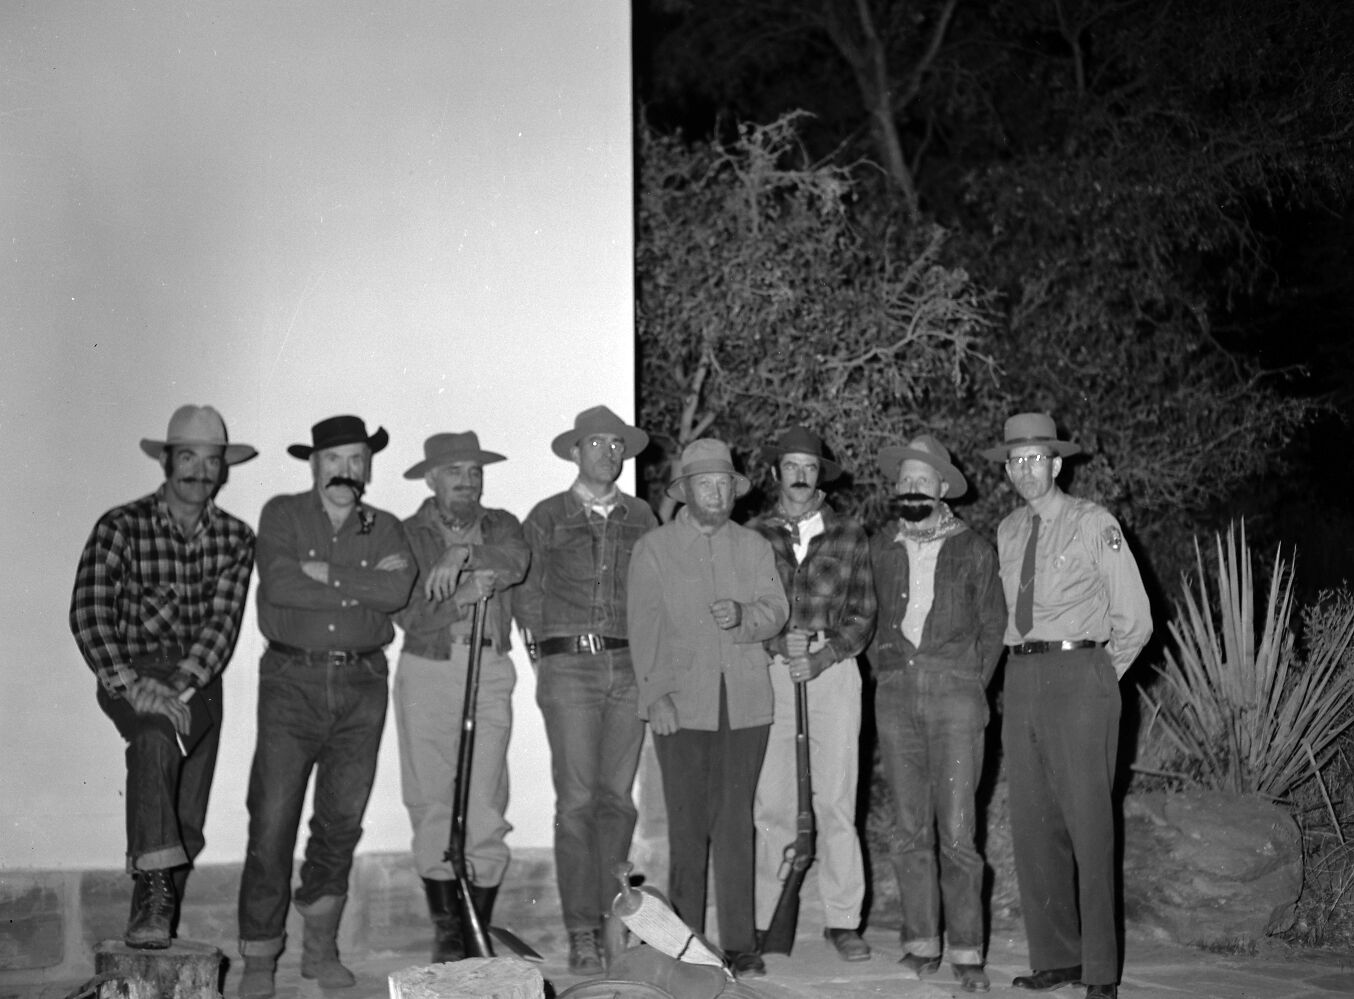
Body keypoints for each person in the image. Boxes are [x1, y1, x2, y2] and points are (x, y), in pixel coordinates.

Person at [238, 415, 416, 998]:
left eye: (357, 460)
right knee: (272, 821)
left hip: (363, 683)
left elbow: (397, 593)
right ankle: (260, 959)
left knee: (340, 821)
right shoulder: (282, 514)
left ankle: (320, 951)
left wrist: (329, 573)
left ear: (368, 467)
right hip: (292, 681)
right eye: (334, 459)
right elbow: (280, 587)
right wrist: (361, 579)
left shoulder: (385, 525)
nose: (346, 471)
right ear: (314, 464)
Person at [70, 405, 257, 950]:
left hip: (199, 679)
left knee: (187, 819)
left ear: (224, 469)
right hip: (128, 673)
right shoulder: (119, 525)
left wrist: (176, 686)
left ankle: (155, 908)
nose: (200, 471)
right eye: (189, 458)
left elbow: (222, 626)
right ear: (168, 461)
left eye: (212, 460)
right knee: (153, 737)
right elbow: (89, 613)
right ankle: (153, 899)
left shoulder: (236, 538)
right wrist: (133, 685)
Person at [980, 413, 1152, 999]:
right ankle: (1057, 956)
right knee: (1033, 824)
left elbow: (1136, 618)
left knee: (1089, 823)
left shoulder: (1093, 522)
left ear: (1057, 464)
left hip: (1082, 673)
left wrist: (1101, 677)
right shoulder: (1006, 530)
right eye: (1016, 461)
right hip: (1022, 675)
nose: (1026, 470)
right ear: (1007, 470)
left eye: (1037, 459)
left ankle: (1100, 970)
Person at [627, 438, 789, 980]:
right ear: (686, 491)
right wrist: (656, 698)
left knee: (736, 821)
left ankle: (741, 944)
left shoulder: (754, 546)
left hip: (745, 706)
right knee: (688, 827)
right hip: (682, 707)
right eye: (705, 484)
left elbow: (776, 611)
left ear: (734, 490)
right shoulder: (654, 549)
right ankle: (687, 941)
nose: (716, 493)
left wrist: (744, 615)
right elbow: (642, 631)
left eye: (724, 483)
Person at [514, 406, 657, 974]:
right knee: (575, 804)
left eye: (616, 444)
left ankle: (612, 919)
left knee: (617, 801)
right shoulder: (547, 516)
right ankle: (580, 932)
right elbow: (526, 593)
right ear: (575, 452)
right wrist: (543, 658)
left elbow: (657, 590)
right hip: (569, 669)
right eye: (595, 443)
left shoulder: (642, 516)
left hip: (629, 669)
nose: (607, 452)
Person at [868, 434, 1006, 992]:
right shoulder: (881, 546)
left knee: (956, 832)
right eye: (904, 482)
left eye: (921, 482)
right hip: (897, 694)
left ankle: (968, 950)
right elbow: (864, 613)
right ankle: (921, 941)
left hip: (955, 695)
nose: (911, 490)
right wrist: (885, 671)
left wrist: (972, 683)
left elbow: (994, 627)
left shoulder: (973, 548)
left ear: (942, 489)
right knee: (908, 829)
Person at [394, 431, 529, 963]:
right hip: (429, 666)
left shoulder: (501, 524)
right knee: (431, 797)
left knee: (486, 801)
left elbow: (517, 560)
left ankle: (479, 923)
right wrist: (460, 599)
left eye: (474, 472)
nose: (467, 483)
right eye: (454, 472)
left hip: (490, 663)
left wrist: (463, 552)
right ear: (431, 479)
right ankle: (448, 927)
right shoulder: (404, 534)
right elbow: (403, 612)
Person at [747, 427, 876, 962]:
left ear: (820, 474)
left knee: (836, 801)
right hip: (773, 669)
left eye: (809, 465)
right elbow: (747, 607)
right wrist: (781, 642)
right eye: (790, 465)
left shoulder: (848, 534)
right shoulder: (752, 534)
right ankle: (767, 920)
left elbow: (863, 614)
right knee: (772, 802)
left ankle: (843, 920)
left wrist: (821, 655)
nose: (800, 474)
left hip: (834, 668)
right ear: (775, 473)